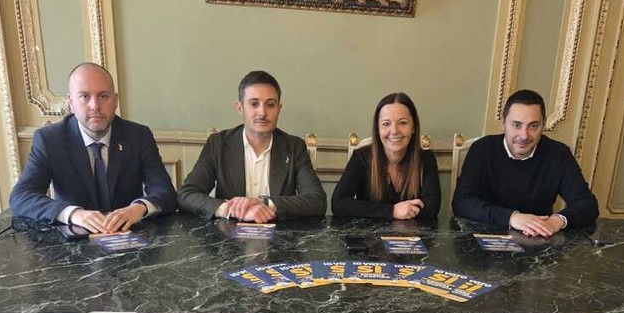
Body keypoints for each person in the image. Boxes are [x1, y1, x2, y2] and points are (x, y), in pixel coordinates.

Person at [9, 63, 176, 233]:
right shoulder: (50, 140)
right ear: (71, 102)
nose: (95, 105)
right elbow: (21, 196)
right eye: (84, 96)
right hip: (74, 241)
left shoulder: (138, 136)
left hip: (129, 235)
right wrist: (72, 213)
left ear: (115, 101)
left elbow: (165, 192)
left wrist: (139, 208)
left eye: (103, 96)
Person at [177, 70, 326, 223]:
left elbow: (317, 201)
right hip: (229, 235)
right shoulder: (218, 144)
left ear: (279, 109)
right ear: (240, 107)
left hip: (280, 235)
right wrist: (231, 209)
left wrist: (265, 204)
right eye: (254, 104)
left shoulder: (294, 147)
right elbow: (186, 194)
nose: (262, 112)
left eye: (270, 105)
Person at [451, 89, 598, 235]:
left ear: (544, 125)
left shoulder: (558, 154)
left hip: (537, 237)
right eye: (516, 125)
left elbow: (587, 204)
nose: (524, 135)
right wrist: (512, 218)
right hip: (484, 235)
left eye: (533, 126)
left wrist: (556, 221)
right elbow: (462, 202)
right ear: (503, 123)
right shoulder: (482, 149)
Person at [331, 92, 440, 220]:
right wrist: (392, 211)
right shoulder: (361, 157)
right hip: (370, 232)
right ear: (378, 129)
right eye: (386, 124)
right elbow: (339, 204)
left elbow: (432, 207)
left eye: (403, 123)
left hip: (412, 232)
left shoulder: (426, 159)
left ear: (413, 127)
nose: (394, 131)